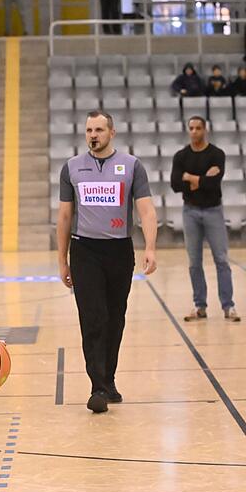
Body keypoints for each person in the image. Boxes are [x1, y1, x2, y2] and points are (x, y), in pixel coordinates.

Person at [57, 110, 158, 414]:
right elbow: (64, 216)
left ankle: (109, 379)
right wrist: (62, 260)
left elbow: (147, 210)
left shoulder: (131, 167)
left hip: (119, 251)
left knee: (115, 318)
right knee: (94, 317)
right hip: (84, 250)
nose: (93, 135)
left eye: (99, 129)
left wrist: (150, 246)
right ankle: (97, 387)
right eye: (89, 130)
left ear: (111, 132)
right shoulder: (72, 168)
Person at [170, 117, 239, 322]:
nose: (194, 132)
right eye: (191, 128)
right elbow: (175, 183)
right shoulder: (181, 156)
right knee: (194, 261)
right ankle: (200, 306)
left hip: (213, 211)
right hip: (190, 211)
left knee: (221, 259)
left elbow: (214, 183)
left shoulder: (217, 154)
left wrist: (190, 178)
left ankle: (228, 306)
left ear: (205, 130)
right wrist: (202, 179)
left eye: (198, 128)